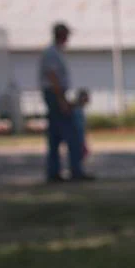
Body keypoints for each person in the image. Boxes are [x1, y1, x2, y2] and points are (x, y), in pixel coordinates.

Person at [39, 22, 93, 182]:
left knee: (55, 136)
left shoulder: (56, 52)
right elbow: (52, 76)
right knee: (72, 134)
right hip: (55, 95)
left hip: (57, 94)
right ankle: (75, 170)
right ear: (61, 35)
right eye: (66, 35)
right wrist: (62, 100)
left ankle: (54, 172)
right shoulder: (52, 53)